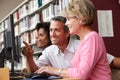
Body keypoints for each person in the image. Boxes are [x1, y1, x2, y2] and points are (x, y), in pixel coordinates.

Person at [35, 0, 111, 80]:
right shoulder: (84, 40)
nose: (66, 24)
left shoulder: (92, 38)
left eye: (68, 19)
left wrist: (54, 70)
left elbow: (81, 73)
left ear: (81, 18)